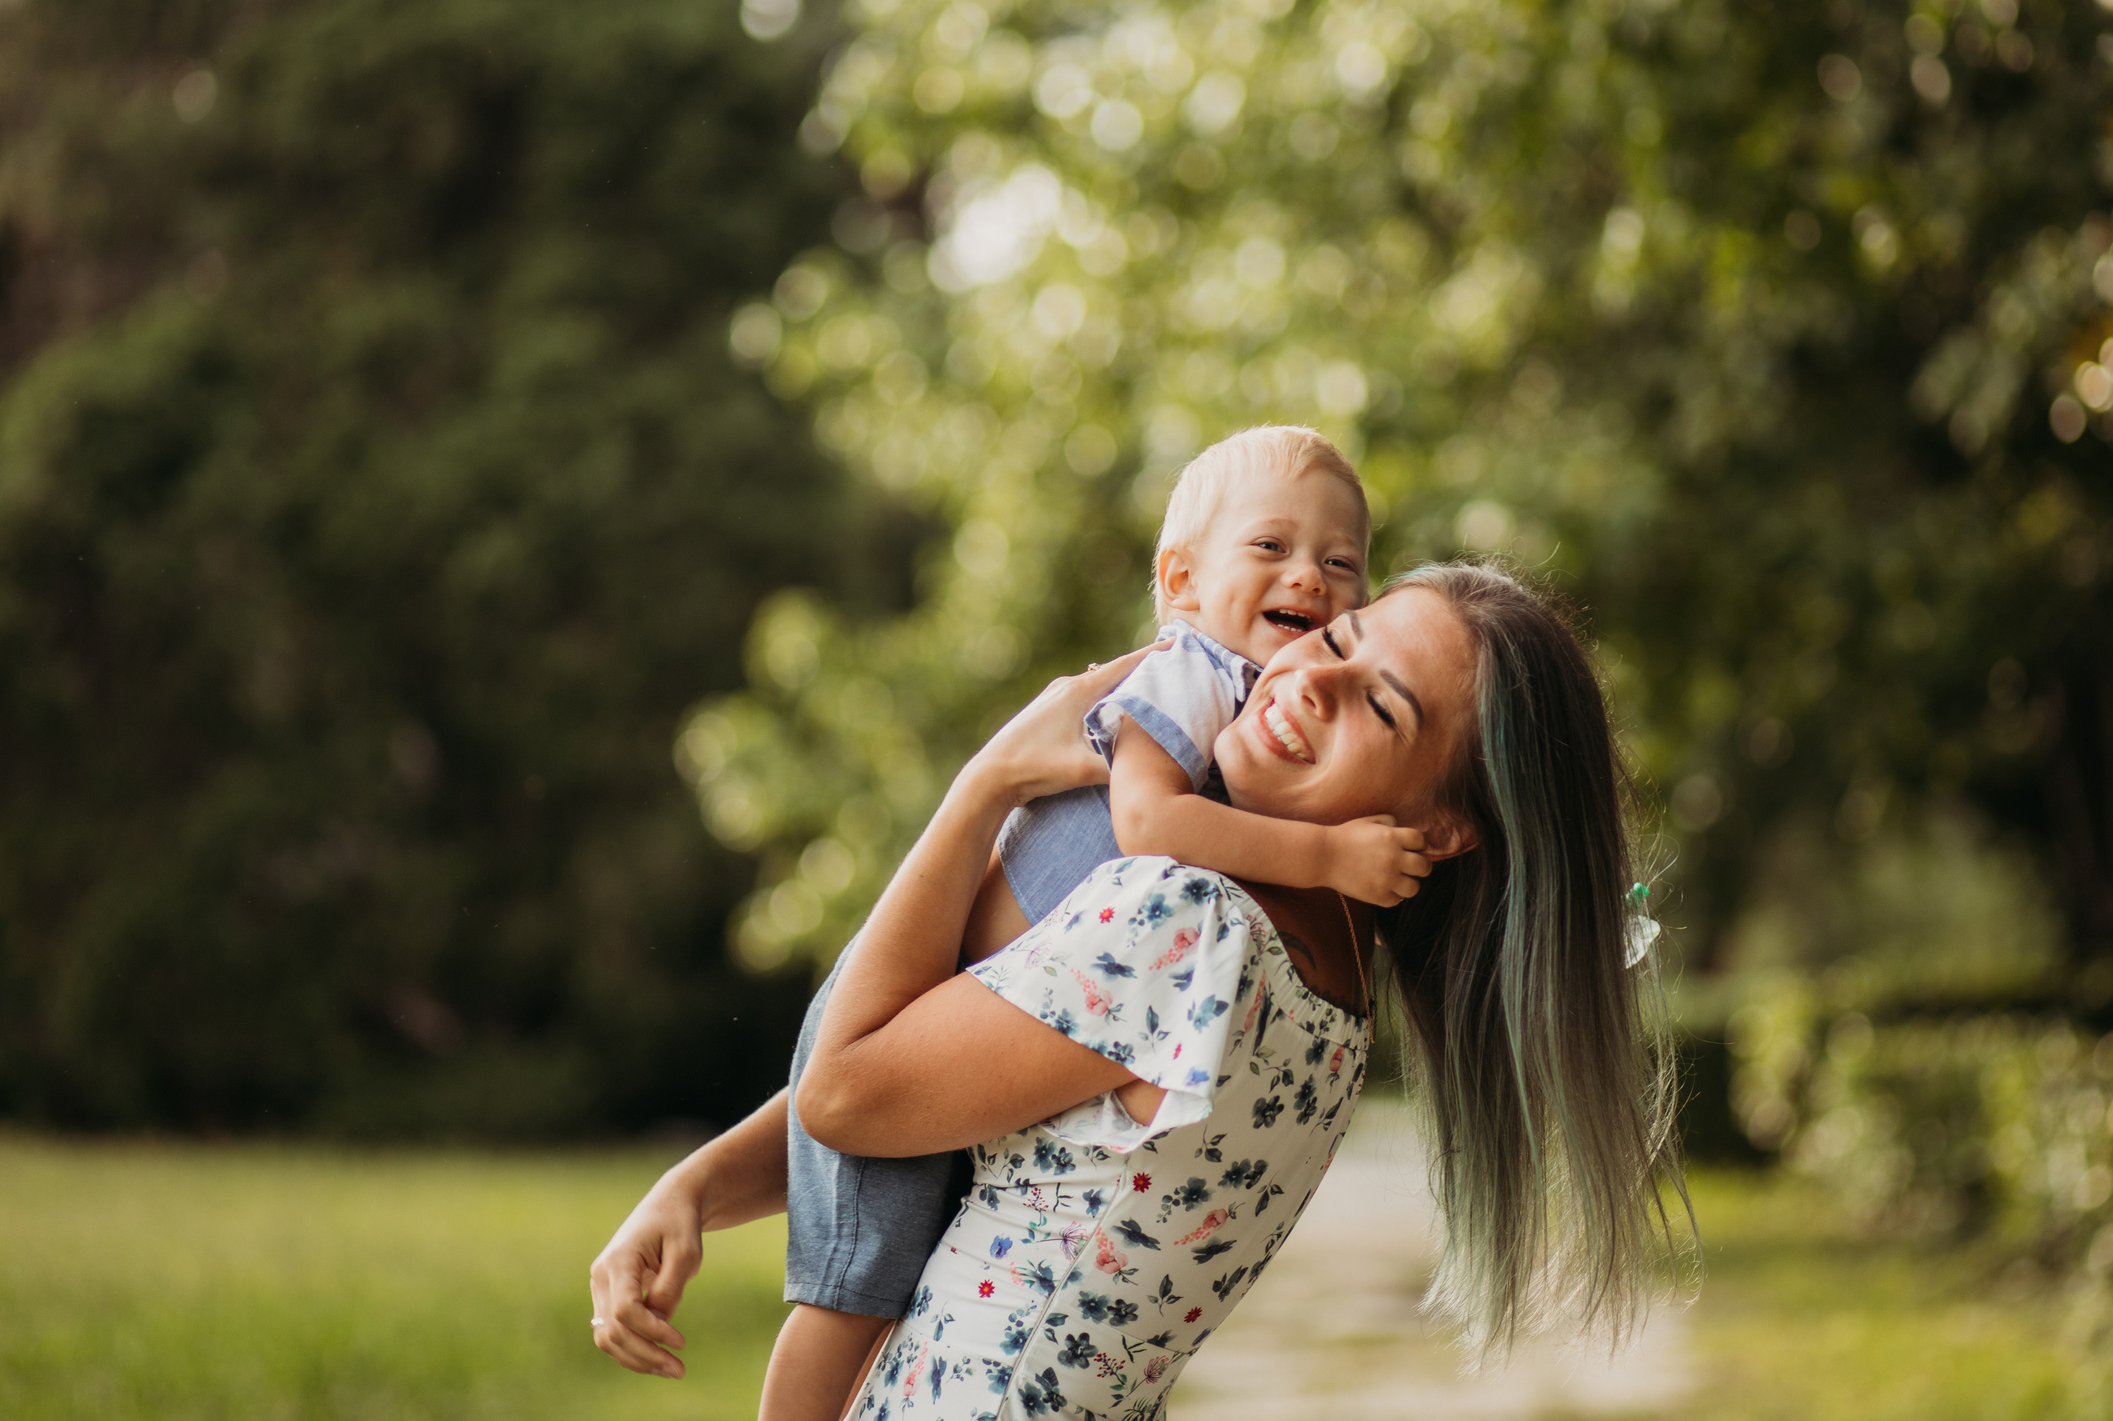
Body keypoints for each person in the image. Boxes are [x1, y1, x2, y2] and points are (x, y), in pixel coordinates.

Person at [591, 562, 1682, 1418]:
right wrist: (696, 1189)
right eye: (1334, 640)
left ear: (1442, 831)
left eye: (1378, 709)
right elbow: (951, 1072)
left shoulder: (1189, 928)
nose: (1309, 682)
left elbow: (847, 1093)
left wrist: (988, 784)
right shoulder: (1334, 992)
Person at [763, 426, 1441, 1419]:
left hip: (964, 1019)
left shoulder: (1242, 802)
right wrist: (1330, 856)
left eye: (1341, 566)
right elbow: (1147, 821)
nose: (1310, 576)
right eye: (1271, 548)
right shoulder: (1183, 683)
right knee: (848, 1294)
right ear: (1181, 582)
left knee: (876, 1290)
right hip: (929, 994)